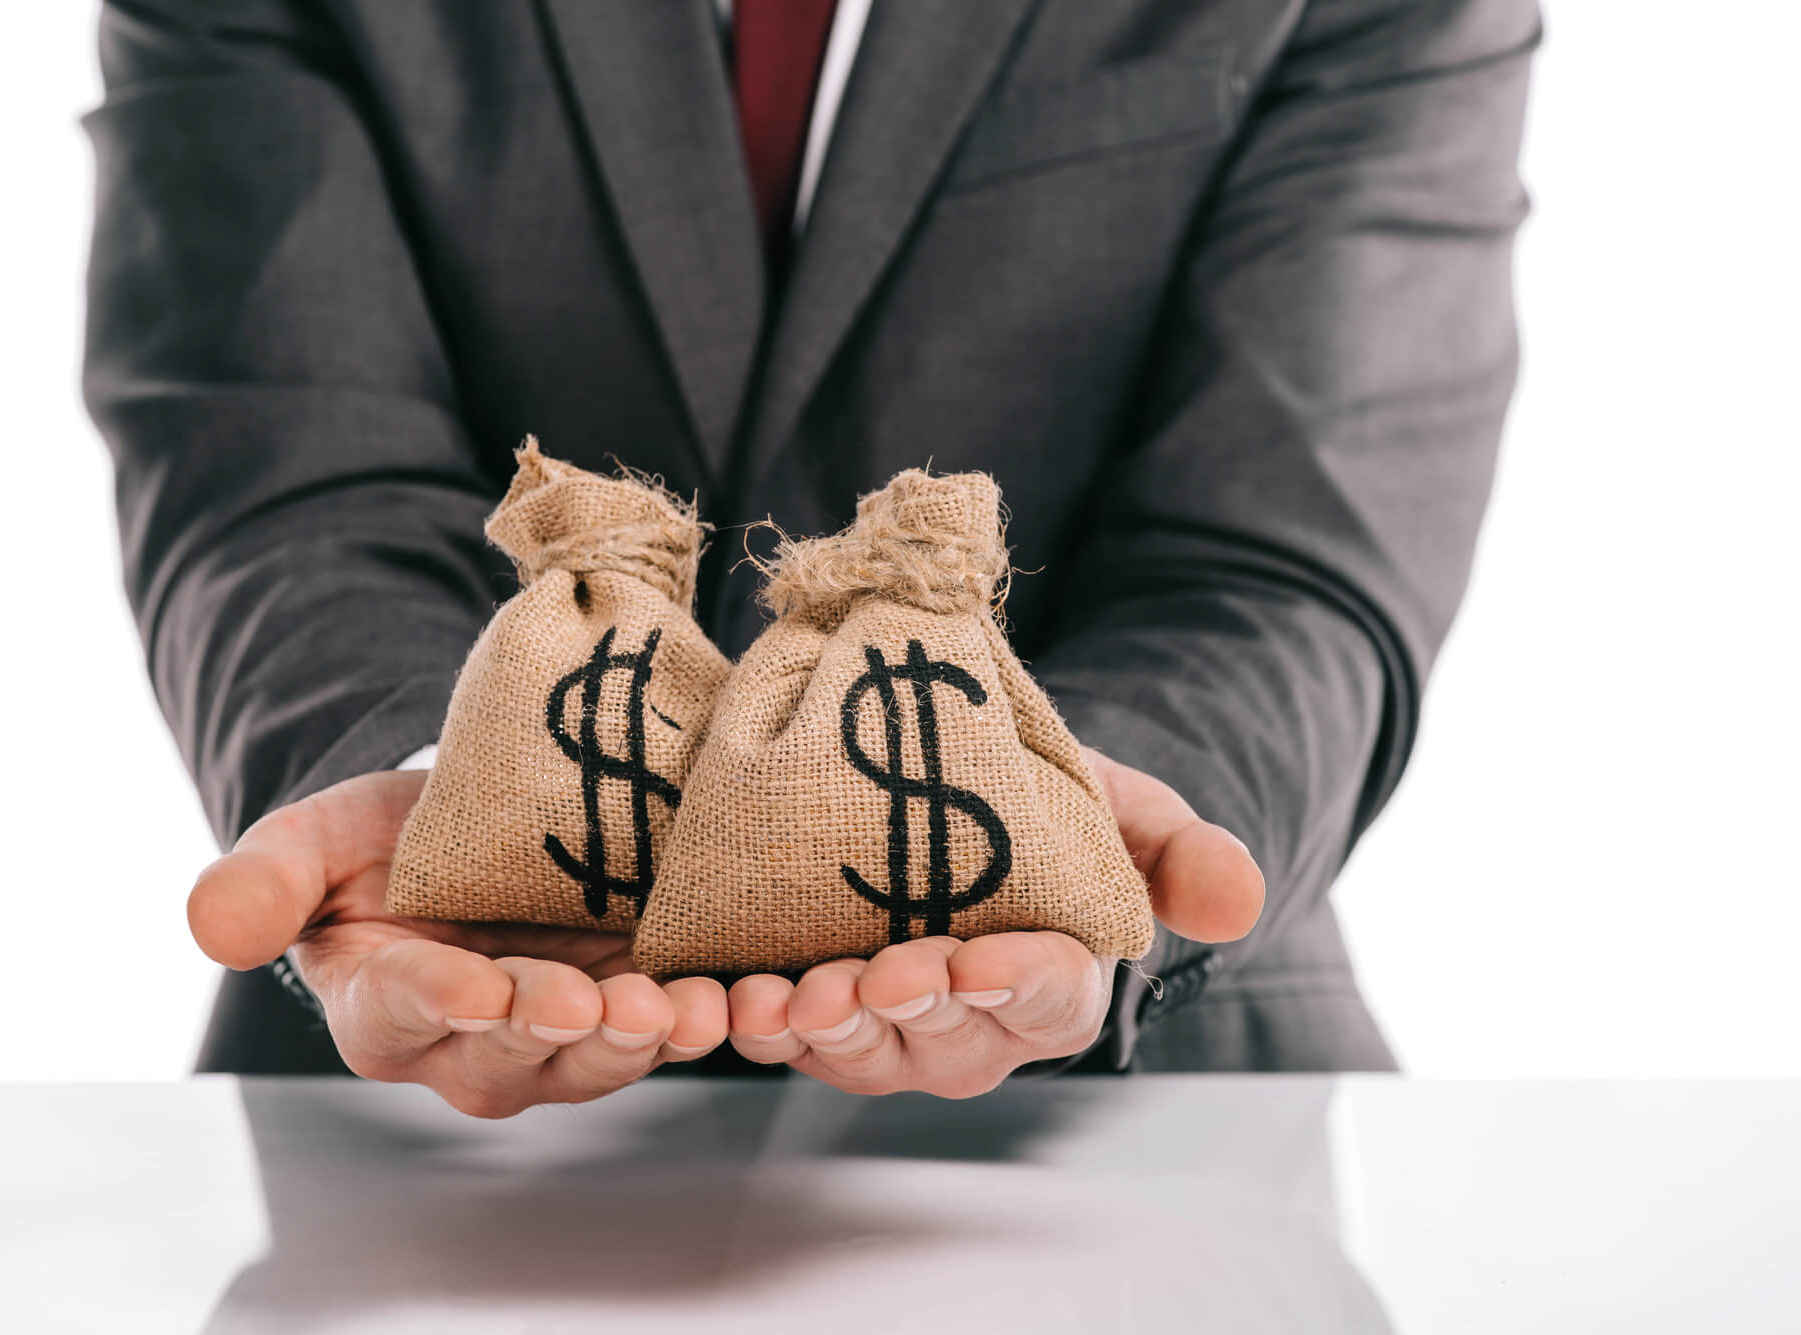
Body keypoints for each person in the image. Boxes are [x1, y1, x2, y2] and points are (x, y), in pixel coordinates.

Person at [84, 0, 1537, 1113]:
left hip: (1148, 1135)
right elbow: (281, 451)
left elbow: (1286, 545)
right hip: (421, 1130)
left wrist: (1068, 858)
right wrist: (436, 789)